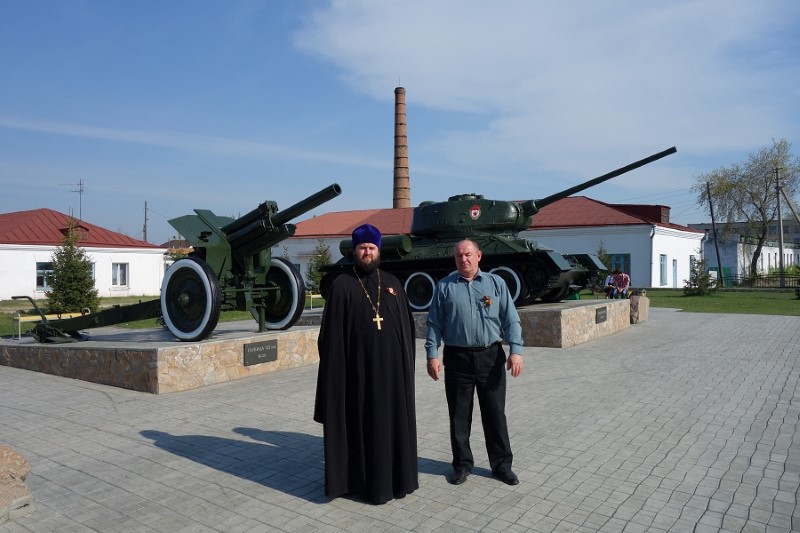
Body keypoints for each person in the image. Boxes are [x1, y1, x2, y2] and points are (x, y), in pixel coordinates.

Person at [313, 223, 418, 504]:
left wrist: (405, 372)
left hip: (392, 379)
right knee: (360, 428)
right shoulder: (342, 285)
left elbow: (407, 331)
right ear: (355, 251)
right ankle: (358, 484)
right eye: (362, 248)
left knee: (389, 427)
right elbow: (330, 339)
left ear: (379, 250)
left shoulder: (393, 283)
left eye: (372, 247)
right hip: (356, 378)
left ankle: (394, 480)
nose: (367, 252)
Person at [425, 239, 524, 486]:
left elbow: (511, 318)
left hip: (491, 357)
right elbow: (434, 323)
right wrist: (432, 354)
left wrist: (516, 350)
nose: (463, 259)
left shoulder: (496, 283)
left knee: (495, 414)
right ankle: (462, 465)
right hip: (457, 359)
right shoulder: (444, 287)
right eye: (459, 255)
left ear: (479, 256)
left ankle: (502, 466)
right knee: (459, 416)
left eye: (468, 254)